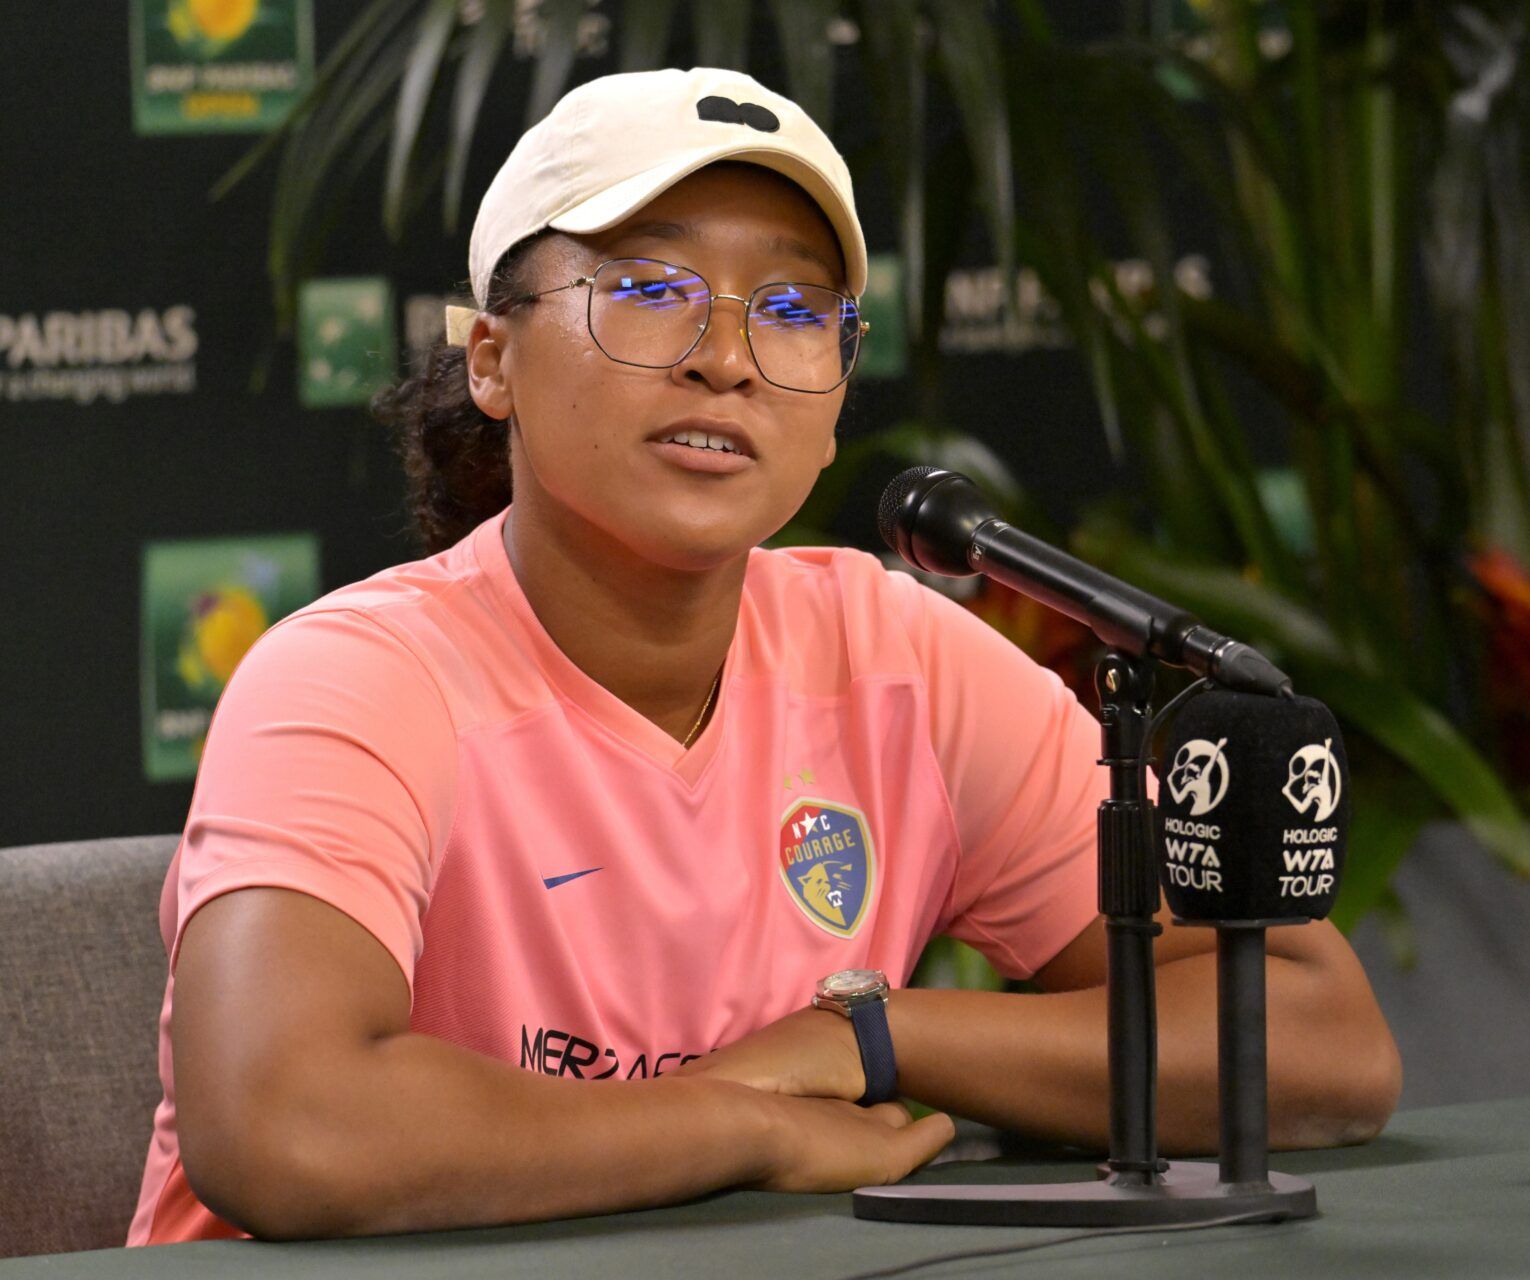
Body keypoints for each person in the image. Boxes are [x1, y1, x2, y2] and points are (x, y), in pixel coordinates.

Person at [127, 67, 1399, 1246]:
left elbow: (1319, 1040)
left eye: (792, 311)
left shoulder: (898, 657)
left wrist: (870, 1034)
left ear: (838, 399)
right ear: (494, 358)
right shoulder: (356, 676)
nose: (725, 358)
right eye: (647, 289)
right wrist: (740, 1118)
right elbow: (283, 1122)